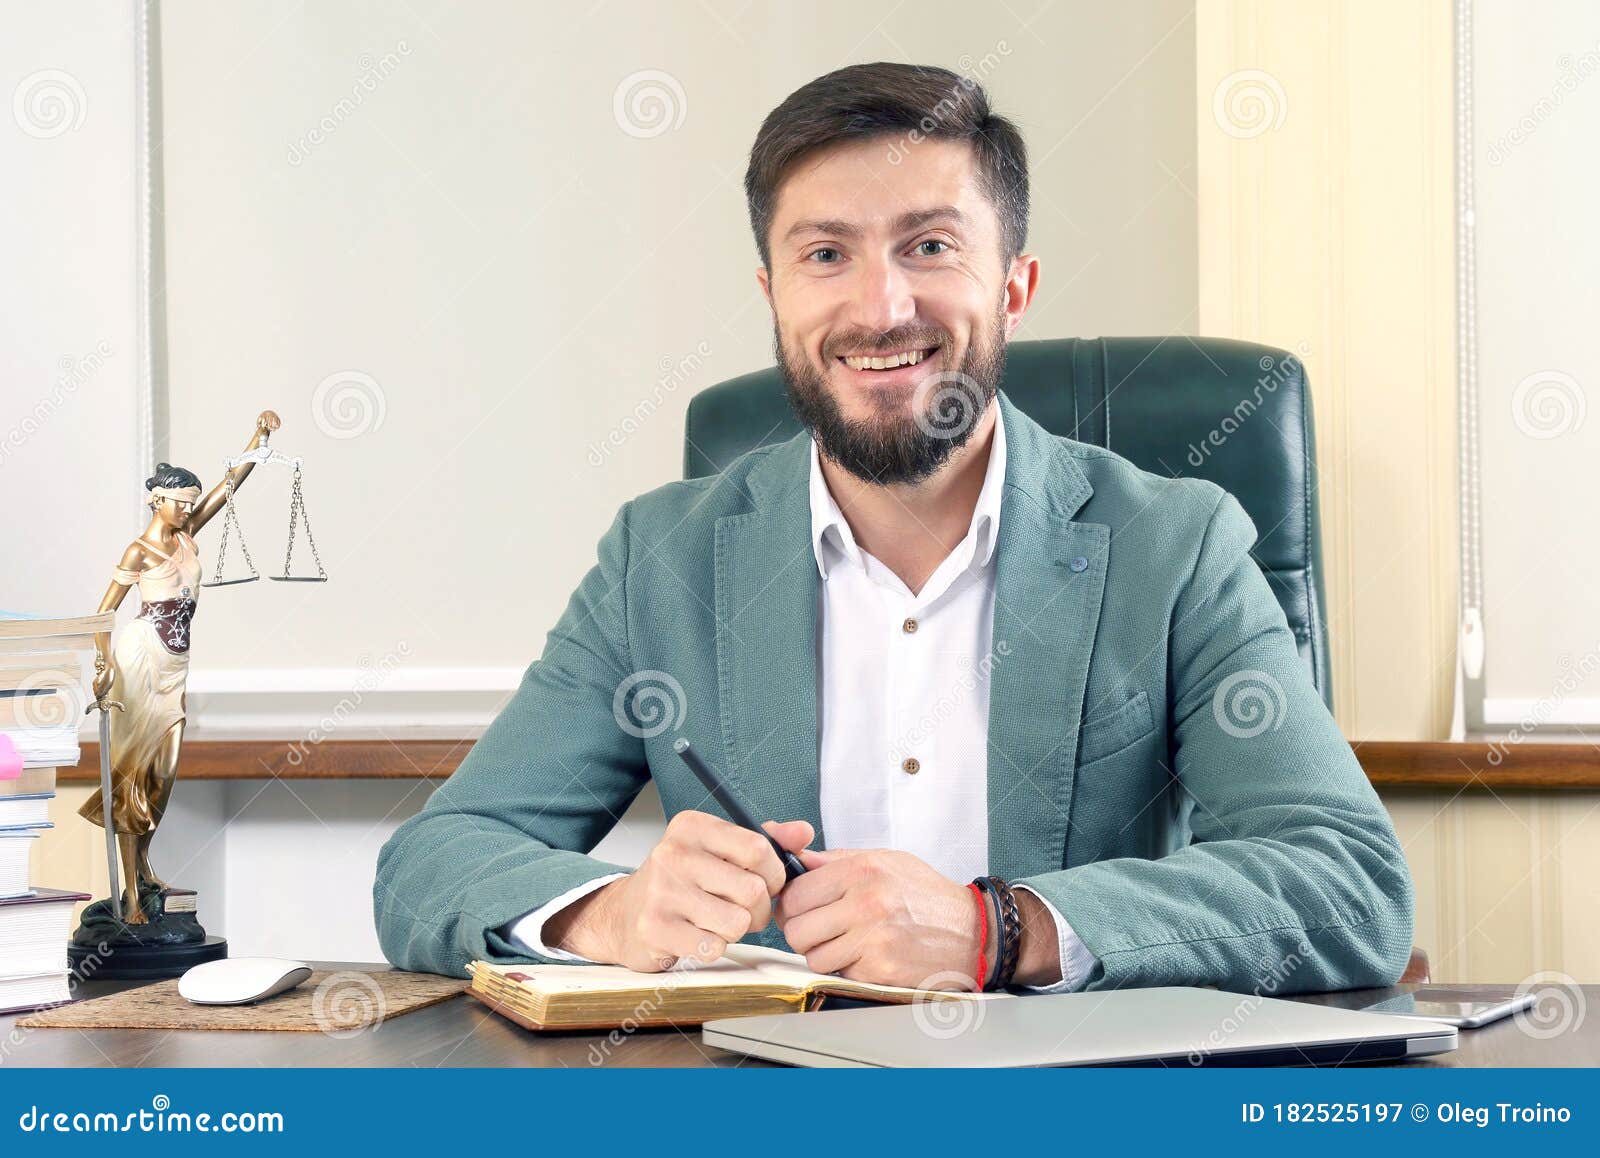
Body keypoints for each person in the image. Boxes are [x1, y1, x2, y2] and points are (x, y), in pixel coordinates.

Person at [375, 63, 1413, 994]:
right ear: (772, 294)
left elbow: (1347, 885)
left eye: (929, 245)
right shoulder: (663, 557)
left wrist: (996, 930)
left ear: (1014, 284)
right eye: (826, 253)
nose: (881, 306)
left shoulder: (1176, 546)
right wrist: (612, 911)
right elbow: (434, 865)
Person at [81, 412, 280, 923]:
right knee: (133, 774)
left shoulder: (187, 534)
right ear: (158, 500)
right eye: (181, 502)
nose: (189, 508)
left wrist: (257, 440)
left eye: (192, 503)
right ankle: (128, 894)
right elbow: (103, 612)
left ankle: (144, 866)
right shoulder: (140, 550)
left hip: (177, 665)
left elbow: (228, 487)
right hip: (141, 660)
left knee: (164, 773)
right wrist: (103, 665)